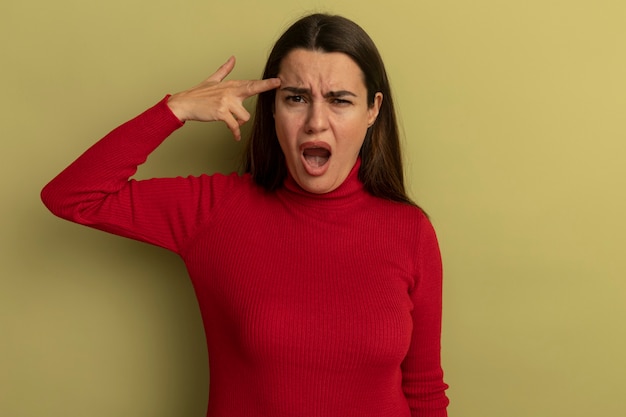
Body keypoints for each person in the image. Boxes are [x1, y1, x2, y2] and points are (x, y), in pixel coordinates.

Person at [41, 13, 449, 417]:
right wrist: (176, 109)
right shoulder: (215, 210)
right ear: (271, 109)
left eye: (339, 100)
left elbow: (424, 388)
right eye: (296, 98)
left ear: (373, 110)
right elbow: (72, 197)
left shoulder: (410, 231)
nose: (316, 123)